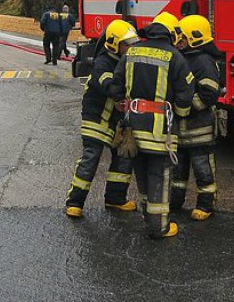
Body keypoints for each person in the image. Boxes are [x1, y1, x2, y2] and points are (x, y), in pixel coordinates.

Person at [109, 12, 194, 239]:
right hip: (160, 130)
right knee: (160, 175)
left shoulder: (132, 53)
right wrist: (179, 112)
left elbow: (115, 85)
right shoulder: (175, 57)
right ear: (169, 36)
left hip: (132, 128)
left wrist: (123, 104)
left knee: (142, 172)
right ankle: (159, 227)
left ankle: (148, 216)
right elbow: (186, 94)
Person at [65, 20, 140, 218]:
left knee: (123, 159)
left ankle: (115, 199)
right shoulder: (103, 62)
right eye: (127, 44)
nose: (131, 47)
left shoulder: (127, 61)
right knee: (91, 158)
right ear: (115, 44)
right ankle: (75, 202)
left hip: (116, 121)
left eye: (133, 43)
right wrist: (120, 96)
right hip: (97, 119)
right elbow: (109, 84)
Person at [170, 15, 220, 220]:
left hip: (199, 128)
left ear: (195, 38)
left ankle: (206, 204)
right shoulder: (183, 58)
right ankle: (175, 201)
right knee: (178, 169)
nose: (178, 41)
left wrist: (187, 106)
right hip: (182, 129)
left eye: (182, 38)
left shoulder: (203, 62)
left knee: (202, 168)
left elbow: (210, 94)